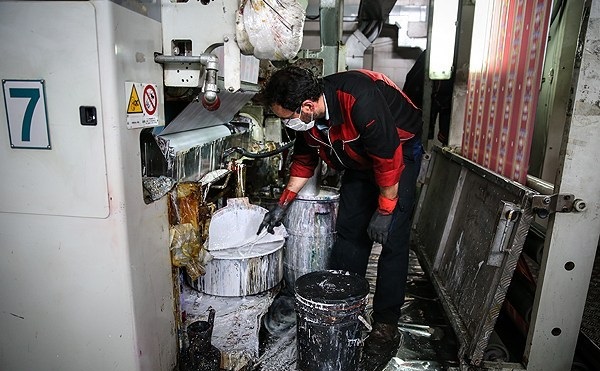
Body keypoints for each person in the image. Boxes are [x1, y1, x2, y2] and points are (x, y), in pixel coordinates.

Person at [256, 66, 423, 359]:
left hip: (399, 148)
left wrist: (385, 210)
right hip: (359, 159)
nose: (286, 125)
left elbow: (387, 158)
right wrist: (283, 203)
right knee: (349, 231)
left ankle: (385, 324)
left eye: (287, 118)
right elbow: (304, 160)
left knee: (393, 236)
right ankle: (344, 305)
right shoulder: (309, 121)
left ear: (307, 107)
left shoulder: (360, 98)